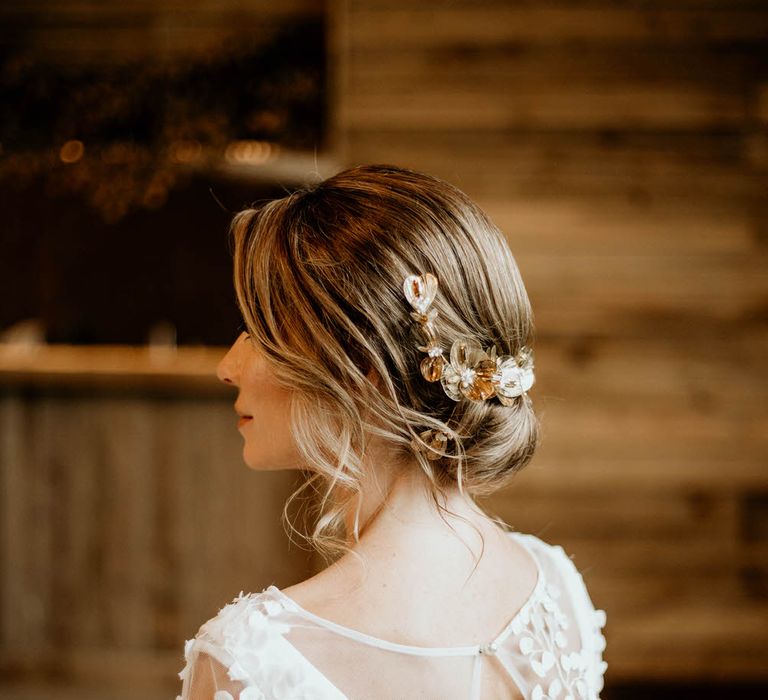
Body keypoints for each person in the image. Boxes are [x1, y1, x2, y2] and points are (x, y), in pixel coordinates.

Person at [176, 164, 608, 700]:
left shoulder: (249, 661)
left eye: (259, 331)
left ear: (360, 372)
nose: (227, 365)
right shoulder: (557, 589)